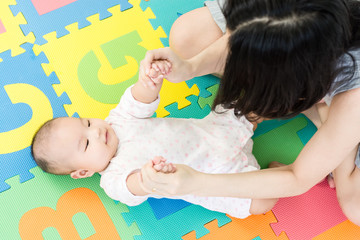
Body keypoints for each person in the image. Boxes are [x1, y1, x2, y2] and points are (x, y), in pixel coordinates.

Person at [137, 0, 360, 225]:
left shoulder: (353, 97)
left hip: (346, 97)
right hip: (316, 58)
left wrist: (197, 182)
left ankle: (336, 128)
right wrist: (190, 67)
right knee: (186, 38)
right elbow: (240, 36)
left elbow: (298, 177)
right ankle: (329, 120)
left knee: (355, 205)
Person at [31, 60, 278, 219]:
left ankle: (295, 91)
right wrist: (147, 178)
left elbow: (139, 99)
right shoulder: (113, 178)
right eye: (85, 144)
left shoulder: (119, 120)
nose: (95, 131)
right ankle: (282, 172)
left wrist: (149, 80)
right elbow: (132, 188)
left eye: (86, 122)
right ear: (83, 172)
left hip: (215, 132)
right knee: (259, 204)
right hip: (219, 179)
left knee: (246, 104)